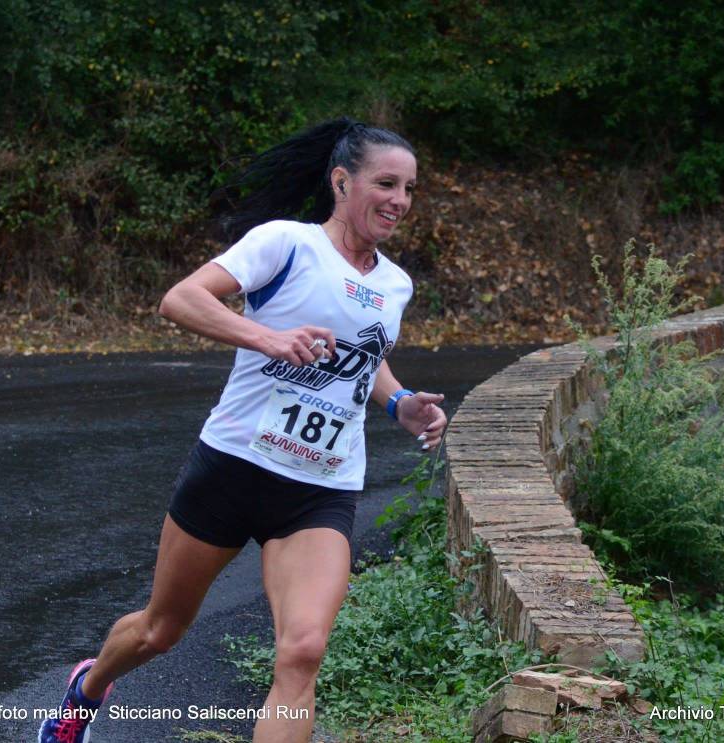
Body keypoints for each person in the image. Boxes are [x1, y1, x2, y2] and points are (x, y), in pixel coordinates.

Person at [38, 117, 447, 743]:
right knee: (161, 629)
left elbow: (368, 358)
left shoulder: (395, 283)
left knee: (304, 649)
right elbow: (182, 298)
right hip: (233, 466)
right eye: (386, 183)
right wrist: (269, 338)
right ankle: (84, 694)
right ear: (342, 182)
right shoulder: (285, 242)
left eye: (410, 188)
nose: (400, 200)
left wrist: (400, 405)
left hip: (321, 486)